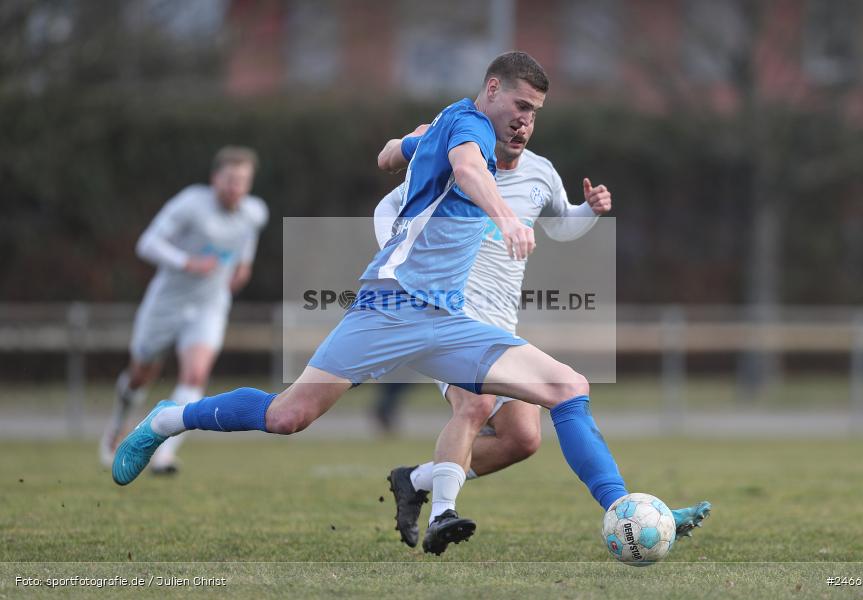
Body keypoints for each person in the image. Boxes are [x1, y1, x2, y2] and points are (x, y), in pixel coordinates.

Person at [112, 51, 709, 558]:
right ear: (491, 90)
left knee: (567, 387)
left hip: (449, 319)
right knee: (287, 417)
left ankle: (622, 508)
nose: (526, 119)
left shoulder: (460, 131)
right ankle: (168, 419)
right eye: (520, 105)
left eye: (535, 112)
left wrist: (400, 148)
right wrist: (503, 215)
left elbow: (394, 154)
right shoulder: (467, 126)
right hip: (389, 307)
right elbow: (468, 168)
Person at [374, 116, 618, 547]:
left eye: (532, 115)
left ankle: (415, 480)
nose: (521, 126)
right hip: (448, 313)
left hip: (502, 325)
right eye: (515, 114)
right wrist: (398, 259)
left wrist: (589, 211)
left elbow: (560, 223)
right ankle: (443, 514)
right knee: (475, 402)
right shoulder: (456, 161)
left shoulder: (541, 172)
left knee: (521, 439)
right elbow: (388, 207)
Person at [99, 146, 268, 474]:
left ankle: (163, 452)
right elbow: (147, 243)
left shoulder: (254, 211)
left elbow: (248, 235)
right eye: (230, 179)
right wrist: (187, 262)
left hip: (210, 304)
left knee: (195, 374)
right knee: (140, 374)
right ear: (215, 179)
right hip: (167, 303)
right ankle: (118, 424)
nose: (235, 187)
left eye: (242, 181)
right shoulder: (191, 204)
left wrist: (244, 264)